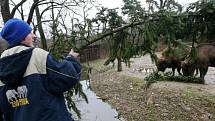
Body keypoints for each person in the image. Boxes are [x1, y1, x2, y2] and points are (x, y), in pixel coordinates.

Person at [0, 18, 81, 121]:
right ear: (21, 37)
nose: (34, 36)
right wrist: (72, 59)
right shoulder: (37, 55)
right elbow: (68, 77)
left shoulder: (1, 68)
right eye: (29, 33)